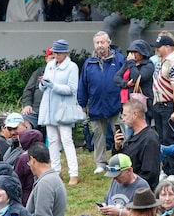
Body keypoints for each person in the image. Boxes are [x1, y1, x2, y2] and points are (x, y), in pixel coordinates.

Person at [78, 31, 125, 174]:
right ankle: (100, 163)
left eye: (102, 42)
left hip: (115, 104)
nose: (99, 45)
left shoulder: (119, 59)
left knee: (120, 133)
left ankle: (121, 160)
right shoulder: (89, 63)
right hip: (96, 106)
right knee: (98, 135)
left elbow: (125, 80)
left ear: (108, 43)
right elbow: (83, 85)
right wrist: (82, 104)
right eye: (97, 43)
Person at [37, 39, 80, 186]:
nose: (56, 55)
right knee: (53, 141)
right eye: (54, 52)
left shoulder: (72, 67)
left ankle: (74, 173)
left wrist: (53, 85)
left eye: (59, 52)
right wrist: (43, 83)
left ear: (65, 52)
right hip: (49, 108)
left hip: (63, 109)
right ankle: (56, 171)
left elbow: (71, 89)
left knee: (67, 140)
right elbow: (43, 88)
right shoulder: (50, 65)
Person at [152, 34, 174, 181]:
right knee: (162, 139)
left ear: (168, 47)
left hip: (169, 105)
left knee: (169, 138)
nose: (157, 49)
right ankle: (166, 169)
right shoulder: (161, 62)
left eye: (159, 47)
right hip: (159, 105)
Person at [112, 98, 161, 190]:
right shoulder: (133, 137)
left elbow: (150, 175)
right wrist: (117, 148)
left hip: (141, 194)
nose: (123, 119)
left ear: (135, 114)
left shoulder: (149, 139)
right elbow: (120, 165)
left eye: (125, 115)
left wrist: (130, 185)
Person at [114, 40, 155, 118]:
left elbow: (138, 78)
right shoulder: (128, 63)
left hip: (142, 104)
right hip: (127, 102)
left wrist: (132, 63)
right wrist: (126, 83)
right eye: (131, 52)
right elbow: (116, 78)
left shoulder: (148, 65)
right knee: (128, 128)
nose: (133, 55)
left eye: (135, 52)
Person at [21, 48, 54, 130]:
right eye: (52, 58)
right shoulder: (38, 72)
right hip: (36, 109)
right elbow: (28, 90)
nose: (54, 61)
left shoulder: (62, 73)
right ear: (46, 59)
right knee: (22, 122)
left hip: (54, 111)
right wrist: (27, 104)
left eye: (56, 59)